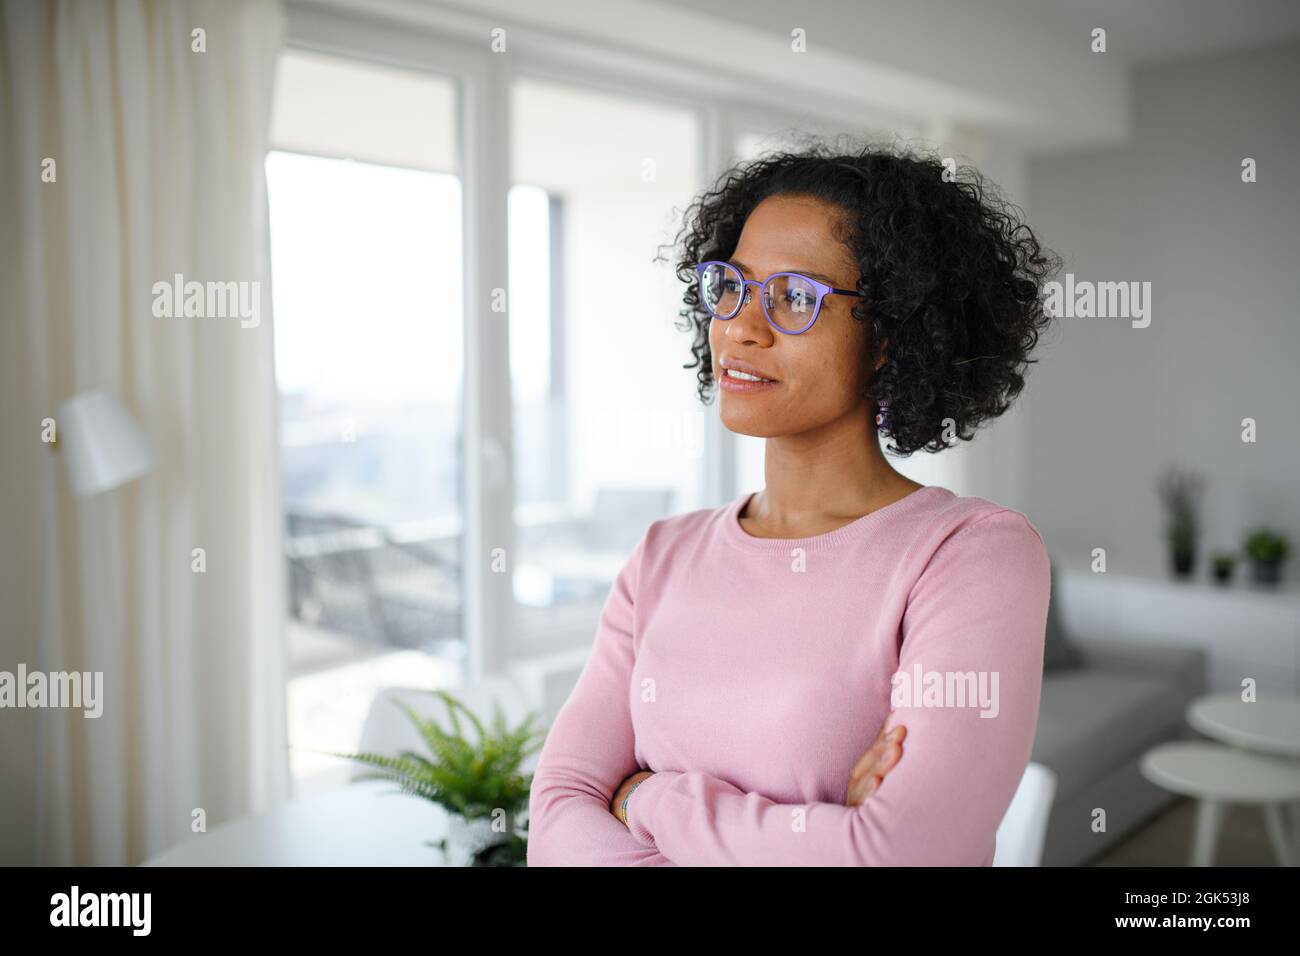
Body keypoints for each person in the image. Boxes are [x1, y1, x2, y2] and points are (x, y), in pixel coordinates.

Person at [526, 140, 1061, 866]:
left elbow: (903, 856)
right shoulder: (662, 556)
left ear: (889, 336)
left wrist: (647, 800)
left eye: (795, 297)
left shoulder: (969, 554)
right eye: (732, 286)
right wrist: (818, 829)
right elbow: (556, 820)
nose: (742, 327)